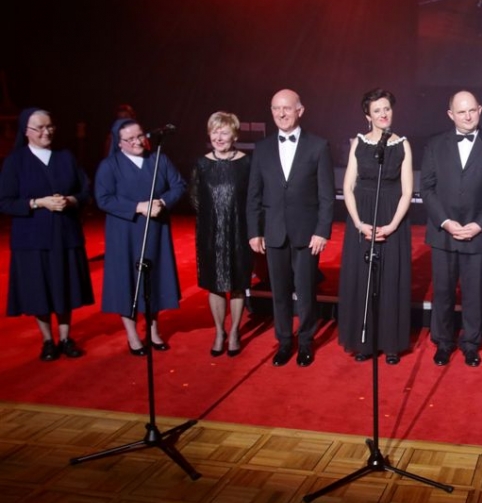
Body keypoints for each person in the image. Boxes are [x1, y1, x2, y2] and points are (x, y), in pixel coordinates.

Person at [421, 90, 482, 367]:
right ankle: (443, 343)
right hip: (443, 233)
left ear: (480, 110)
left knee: (474, 294)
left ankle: (471, 344)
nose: (468, 116)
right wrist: (445, 222)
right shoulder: (435, 145)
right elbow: (427, 188)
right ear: (451, 115)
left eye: (472, 110)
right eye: (461, 112)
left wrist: (479, 225)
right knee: (443, 292)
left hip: (477, 233)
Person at [247, 89, 335, 368]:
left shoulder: (318, 146)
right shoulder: (262, 149)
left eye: (286, 108)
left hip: (307, 234)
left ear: (300, 110)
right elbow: (253, 195)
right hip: (273, 232)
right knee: (280, 293)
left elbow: (326, 195)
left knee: (306, 291)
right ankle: (284, 341)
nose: (281, 114)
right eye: (276, 108)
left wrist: (322, 231)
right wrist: (254, 231)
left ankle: (306, 342)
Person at [0, 108, 94, 361]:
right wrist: (38, 202)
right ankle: (47, 341)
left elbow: (85, 192)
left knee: (65, 286)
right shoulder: (15, 161)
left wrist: (71, 200)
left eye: (50, 126)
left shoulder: (65, 157)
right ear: (26, 131)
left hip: (65, 235)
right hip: (32, 239)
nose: (46, 132)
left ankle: (65, 338)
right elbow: (5, 201)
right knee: (38, 290)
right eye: (40, 128)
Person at [95, 118, 186, 355]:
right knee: (127, 280)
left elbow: (178, 185)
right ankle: (133, 336)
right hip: (124, 232)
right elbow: (103, 199)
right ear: (119, 142)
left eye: (140, 136)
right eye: (130, 139)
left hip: (154, 229)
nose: (137, 142)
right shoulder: (110, 165)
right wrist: (138, 207)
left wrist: (162, 202)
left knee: (152, 278)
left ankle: (154, 331)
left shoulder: (158, 159)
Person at [338, 89, 413, 365]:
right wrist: (359, 223)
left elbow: (407, 191)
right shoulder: (358, 143)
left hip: (392, 217)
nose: (383, 114)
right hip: (363, 216)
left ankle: (391, 343)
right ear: (367, 116)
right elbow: (348, 187)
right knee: (363, 278)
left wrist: (392, 225)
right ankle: (365, 342)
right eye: (377, 110)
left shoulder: (403, 145)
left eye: (387, 109)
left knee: (390, 278)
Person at [190, 112, 251, 357]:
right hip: (210, 234)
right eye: (214, 132)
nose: (219, 137)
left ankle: (234, 331)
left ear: (234, 135)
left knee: (237, 284)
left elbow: (253, 198)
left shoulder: (246, 163)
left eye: (224, 132)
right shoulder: (202, 164)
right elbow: (195, 198)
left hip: (239, 232)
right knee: (214, 285)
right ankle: (219, 331)